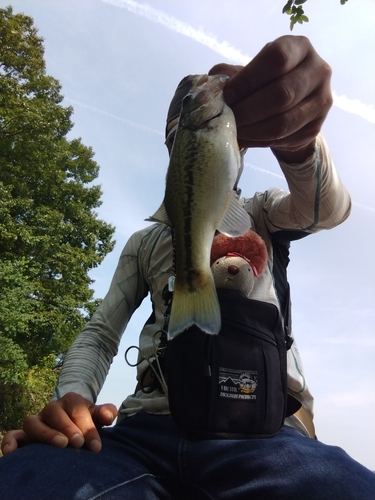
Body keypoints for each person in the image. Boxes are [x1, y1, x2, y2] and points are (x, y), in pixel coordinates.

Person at [0, 35, 374, 500]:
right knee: (23, 480)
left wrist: (299, 142)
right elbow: (100, 334)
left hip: (269, 432)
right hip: (145, 430)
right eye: (181, 139)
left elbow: (328, 209)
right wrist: (73, 395)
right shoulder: (146, 241)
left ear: (238, 148)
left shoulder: (266, 213)